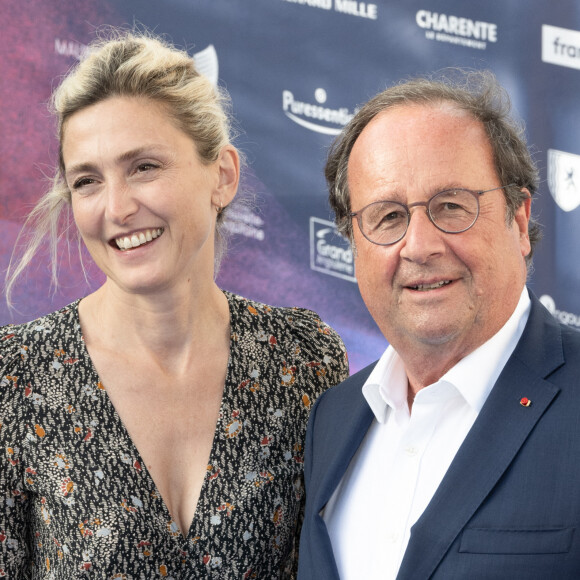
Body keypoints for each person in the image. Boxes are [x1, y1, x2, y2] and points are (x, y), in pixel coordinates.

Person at [0, 30, 349, 578]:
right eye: (87, 181)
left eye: (144, 167)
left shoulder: (303, 359)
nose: (116, 207)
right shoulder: (17, 376)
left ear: (223, 176)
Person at [298, 69, 580, 580]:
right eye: (387, 217)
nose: (420, 246)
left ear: (519, 220)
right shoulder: (333, 419)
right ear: (353, 245)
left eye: (452, 207)